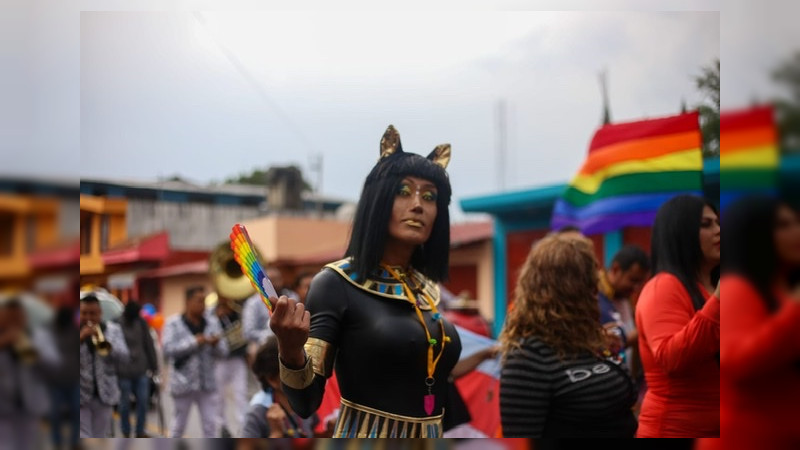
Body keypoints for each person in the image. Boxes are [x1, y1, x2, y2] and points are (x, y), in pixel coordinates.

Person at [269, 125, 462, 438]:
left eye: (429, 196)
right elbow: (305, 403)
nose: (418, 204)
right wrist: (291, 351)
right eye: (403, 191)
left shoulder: (426, 291)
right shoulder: (336, 283)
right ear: (378, 201)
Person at [499, 233, 638, 438]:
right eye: (589, 287)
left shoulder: (590, 341)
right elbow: (521, 439)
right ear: (565, 293)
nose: (596, 295)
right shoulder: (527, 358)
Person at [717, 196, 800, 448]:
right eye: (783, 225)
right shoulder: (738, 288)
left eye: (797, 222)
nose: (796, 232)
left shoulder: (780, 286)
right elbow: (737, 359)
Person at [635, 194, 720, 438]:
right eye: (706, 225)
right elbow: (671, 357)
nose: (719, 230)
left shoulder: (711, 288)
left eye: (717, 222)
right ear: (681, 233)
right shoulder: (664, 286)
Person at [162, 286, 228, 438]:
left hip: (207, 383)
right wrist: (194, 342)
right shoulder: (173, 323)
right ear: (188, 302)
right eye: (199, 301)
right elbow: (167, 350)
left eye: (204, 301)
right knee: (178, 426)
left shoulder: (212, 322)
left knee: (211, 426)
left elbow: (224, 352)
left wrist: (216, 344)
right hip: (182, 383)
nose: (203, 305)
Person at [0, 295, 60, 450]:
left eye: (17, 317)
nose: (14, 321)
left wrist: (33, 351)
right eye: (9, 317)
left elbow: (54, 367)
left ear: (24, 318)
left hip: (31, 405)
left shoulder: (39, 337)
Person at [242, 335, 320, 438]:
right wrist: (276, 434)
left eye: (303, 367)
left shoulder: (306, 401)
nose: (302, 375)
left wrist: (328, 433)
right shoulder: (257, 415)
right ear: (272, 380)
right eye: (292, 371)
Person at [78, 293, 130, 438]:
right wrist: (81, 338)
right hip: (80, 394)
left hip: (105, 394)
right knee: (84, 436)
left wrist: (106, 343)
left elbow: (125, 356)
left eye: (93, 313)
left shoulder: (113, 330)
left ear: (100, 313)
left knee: (100, 436)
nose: (88, 317)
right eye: (84, 313)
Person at [598, 245, 650, 366]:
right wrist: (643, 330)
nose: (636, 288)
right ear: (616, 269)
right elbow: (608, 346)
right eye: (632, 280)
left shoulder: (625, 297)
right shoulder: (596, 299)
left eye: (640, 282)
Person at [115, 300, 159, 438]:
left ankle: (140, 430)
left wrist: (154, 366)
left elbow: (149, 344)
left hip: (140, 369)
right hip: (123, 370)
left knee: (143, 401)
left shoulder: (141, 323)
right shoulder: (116, 323)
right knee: (125, 403)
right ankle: (126, 430)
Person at [212, 295, 250, 437]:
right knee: (218, 396)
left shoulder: (237, 312)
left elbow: (244, 333)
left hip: (237, 358)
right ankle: (222, 426)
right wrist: (218, 318)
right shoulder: (212, 315)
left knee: (241, 393)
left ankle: (244, 426)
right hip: (220, 361)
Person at [242, 266, 297, 362]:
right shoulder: (253, 303)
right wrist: (272, 335)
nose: (274, 283)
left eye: (277, 279)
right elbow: (248, 332)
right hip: (264, 345)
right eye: (271, 280)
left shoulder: (293, 297)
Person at [46, 304, 81, 450]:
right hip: (55, 380)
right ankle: (57, 442)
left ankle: (74, 442)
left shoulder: (74, 331)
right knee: (55, 415)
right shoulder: (50, 332)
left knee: (75, 413)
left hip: (73, 378)